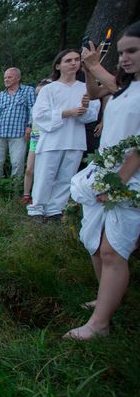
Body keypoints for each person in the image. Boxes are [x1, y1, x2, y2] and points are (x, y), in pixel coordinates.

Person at [65, 21, 140, 340]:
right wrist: (89, 68)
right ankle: (106, 299)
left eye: (132, 51)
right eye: (122, 52)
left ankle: (100, 324)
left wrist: (118, 184)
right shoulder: (126, 86)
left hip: (127, 177)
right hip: (104, 170)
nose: (124, 58)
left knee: (112, 249)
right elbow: (96, 92)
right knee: (94, 243)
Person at [27, 49, 100, 222]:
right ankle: (37, 208)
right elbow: (39, 115)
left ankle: (55, 209)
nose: (73, 63)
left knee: (66, 177)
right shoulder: (49, 89)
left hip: (75, 139)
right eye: (68, 60)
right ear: (58, 65)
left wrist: (83, 111)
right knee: (45, 175)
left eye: (76, 60)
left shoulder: (86, 88)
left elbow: (92, 115)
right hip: (52, 140)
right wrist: (67, 112)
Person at [0, 68, 36, 179]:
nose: (6, 79)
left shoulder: (28, 91)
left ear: (18, 78)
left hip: (19, 133)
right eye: (5, 77)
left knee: (17, 163)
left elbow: (33, 109)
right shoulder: (0, 95)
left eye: (9, 77)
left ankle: (15, 191)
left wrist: (30, 126)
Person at [21, 79, 52, 205]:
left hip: (47, 140)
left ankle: (38, 196)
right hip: (34, 139)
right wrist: (29, 128)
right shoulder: (35, 106)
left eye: (41, 94)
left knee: (42, 171)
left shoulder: (53, 107)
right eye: (37, 94)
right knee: (29, 169)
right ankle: (26, 195)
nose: (39, 97)